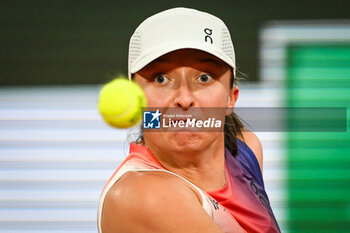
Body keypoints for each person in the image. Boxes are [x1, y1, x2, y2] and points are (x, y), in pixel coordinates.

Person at [98, 7, 280, 233]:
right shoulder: (145, 195)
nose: (184, 99)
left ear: (230, 98)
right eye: (161, 78)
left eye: (204, 77)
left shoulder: (246, 150)